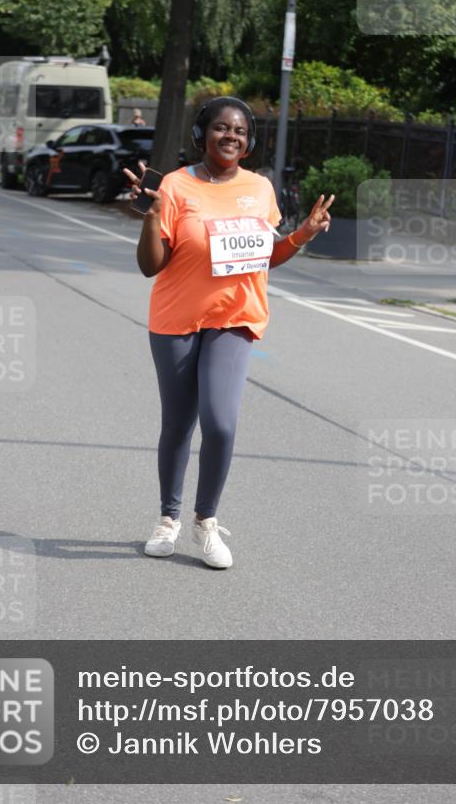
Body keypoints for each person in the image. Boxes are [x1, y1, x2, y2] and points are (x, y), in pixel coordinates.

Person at [124, 96, 334, 569]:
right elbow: (149, 266)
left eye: (239, 131)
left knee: (220, 423)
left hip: (235, 318)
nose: (230, 137)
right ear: (201, 135)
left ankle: (206, 523)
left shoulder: (259, 189)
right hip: (176, 320)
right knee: (178, 425)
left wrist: (301, 235)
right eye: (220, 128)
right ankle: (168, 520)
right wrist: (154, 216)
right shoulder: (176, 187)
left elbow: (265, 256)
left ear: (249, 141)